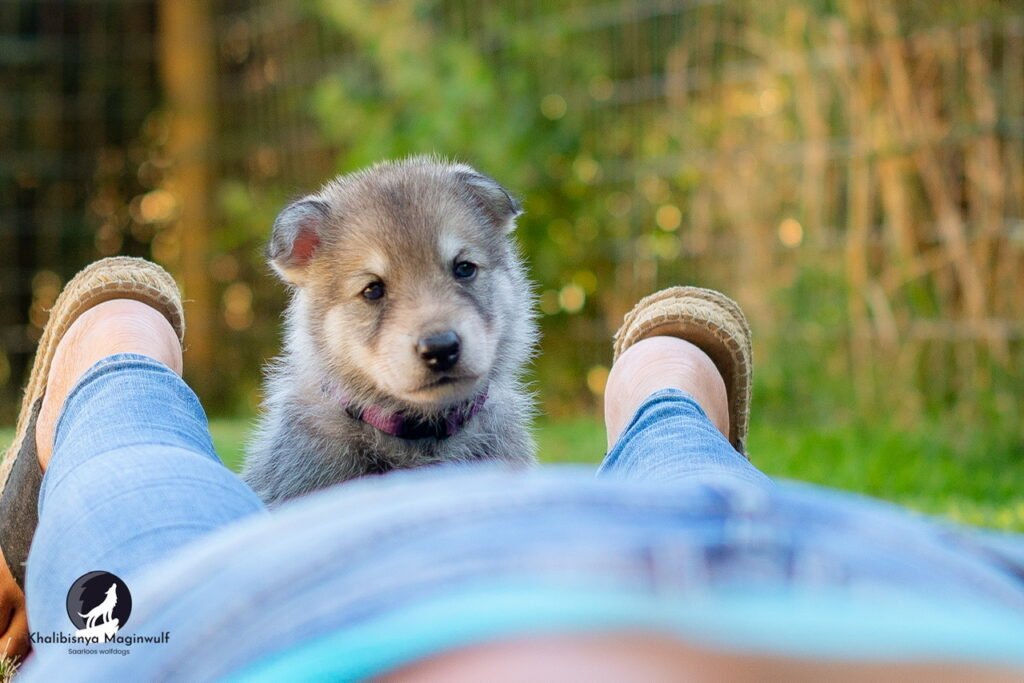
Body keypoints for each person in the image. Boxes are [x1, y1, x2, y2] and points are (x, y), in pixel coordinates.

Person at [0, 257, 1021, 682]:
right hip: (843, 597)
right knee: (702, 510)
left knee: (144, 563)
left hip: (239, 642)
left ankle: (111, 371)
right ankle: (665, 411)